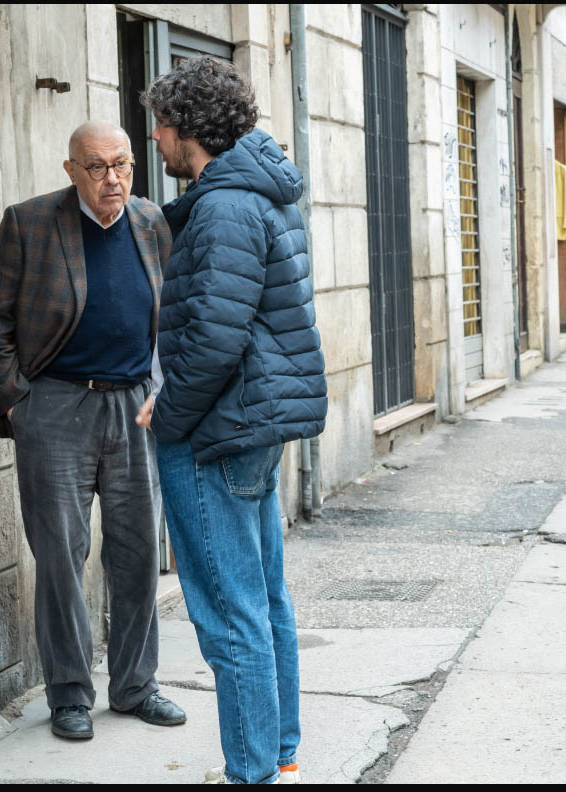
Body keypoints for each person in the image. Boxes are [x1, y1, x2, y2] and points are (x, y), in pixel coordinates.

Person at [138, 56, 328, 786]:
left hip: (216, 432)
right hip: (249, 426)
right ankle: (277, 757)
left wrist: (168, 414)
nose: (154, 137)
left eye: (161, 123)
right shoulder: (260, 195)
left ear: (190, 129)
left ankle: (253, 774)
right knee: (265, 601)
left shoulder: (225, 207)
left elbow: (215, 337)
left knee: (229, 617)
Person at [0, 121, 186, 741]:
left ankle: (135, 686)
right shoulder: (31, 223)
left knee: (140, 553)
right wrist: (17, 403)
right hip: (56, 408)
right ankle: (68, 693)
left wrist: (164, 387)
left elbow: (172, 318)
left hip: (134, 408)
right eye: (97, 167)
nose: (113, 178)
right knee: (62, 558)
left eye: (121, 163)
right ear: (71, 171)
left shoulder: (153, 223)